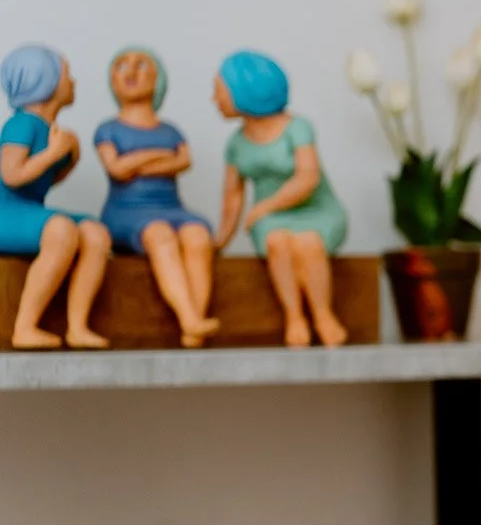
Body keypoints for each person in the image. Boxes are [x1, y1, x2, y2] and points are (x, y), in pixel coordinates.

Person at [214, 50, 349, 347]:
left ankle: (324, 316)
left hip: (315, 210)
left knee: (309, 244)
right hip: (272, 220)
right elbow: (233, 197)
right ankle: (294, 318)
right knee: (278, 243)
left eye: (219, 91)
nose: (215, 99)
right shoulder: (236, 144)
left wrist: (264, 207)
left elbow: (307, 178)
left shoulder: (297, 128)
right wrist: (220, 241)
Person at [94, 47, 220, 347]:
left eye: (141, 65)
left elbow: (182, 162)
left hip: (172, 208)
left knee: (198, 235)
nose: (131, 72)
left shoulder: (171, 130)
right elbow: (118, 169)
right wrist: (157, 156)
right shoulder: (108, 129)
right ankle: (188, 316)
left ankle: (194, 325)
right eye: (121, 66)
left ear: (158, 78)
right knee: (160, 235)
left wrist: (136, 162)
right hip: (127, 213)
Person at [0, 44, 111, 349]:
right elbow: (11, 175)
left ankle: (78, 326)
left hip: (28, 209)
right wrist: (54, 153)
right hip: (5, 213)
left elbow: (45, 178)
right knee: (61, 229)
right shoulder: (21, 123)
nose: (73, 81)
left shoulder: (49, 128)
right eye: (67, 73)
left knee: (95, 233)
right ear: (45, 79)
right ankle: (24, 327)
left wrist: (69, 158)